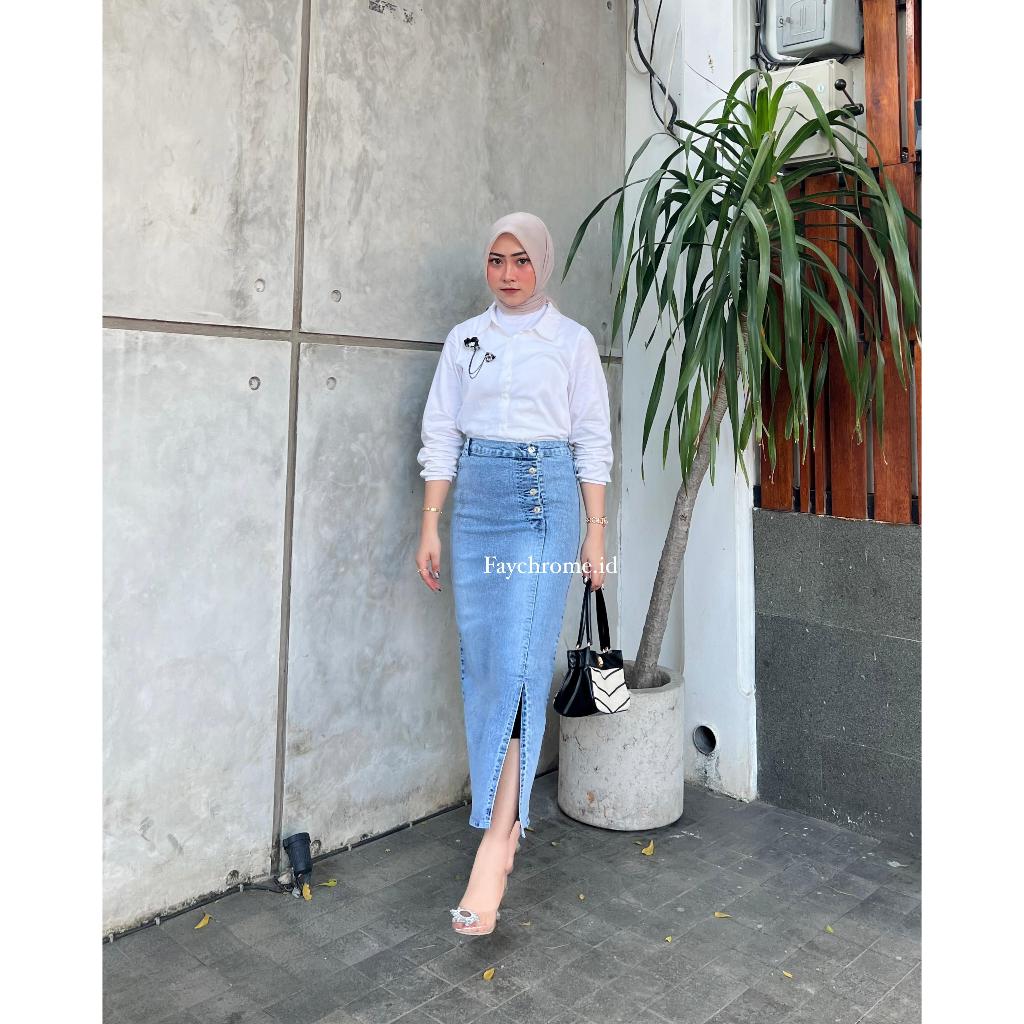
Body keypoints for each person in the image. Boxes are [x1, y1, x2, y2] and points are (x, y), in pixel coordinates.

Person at [415, 212, 613, 936]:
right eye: (497, 259)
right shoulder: (465, 339)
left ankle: (497, 844)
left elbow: (591, 439)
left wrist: (595, 533)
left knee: (520, 665)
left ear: (543, 265)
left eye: (521, 259)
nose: (507, 273)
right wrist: (431, 520)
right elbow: (442, 430)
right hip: (475, 504)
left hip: (541, 500)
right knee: (486, 668)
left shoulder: (571, 342)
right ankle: (506, 822)